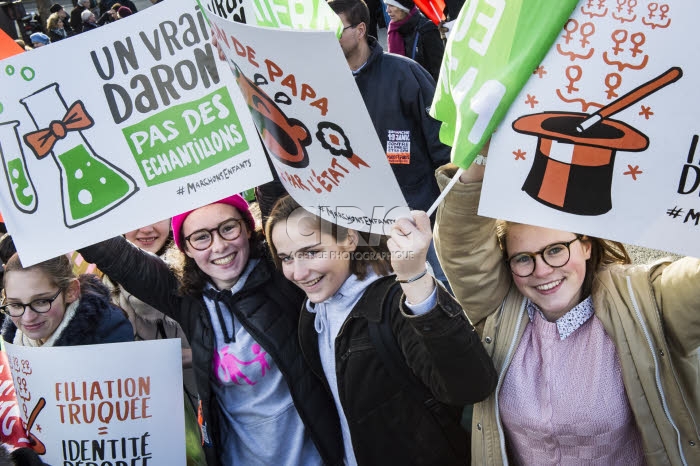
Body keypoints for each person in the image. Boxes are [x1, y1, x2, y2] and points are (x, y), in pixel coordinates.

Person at [433, 159, 700, 465]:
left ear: (585, 245)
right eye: (523, 258)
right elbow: (463, 249)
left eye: (556, 250)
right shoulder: (499, 310)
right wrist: (479, 159)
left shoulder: (645, 300)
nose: (543, 271)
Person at [79, 195, 344, 466]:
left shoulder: (280, 274)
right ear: (186, 248)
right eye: (201, 237)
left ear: (247, 228)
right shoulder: (185, 298)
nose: (219, 246)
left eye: (228, 228)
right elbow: (112, 254)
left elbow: (277, 191)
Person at [266, 195, 497, 465]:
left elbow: (470, 386)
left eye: (311, 252)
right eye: (286, 258)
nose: (298, 272)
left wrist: (416, 282)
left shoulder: (397, 302)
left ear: (349, 239)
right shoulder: (312, 311)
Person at [329, 0, 452, 290]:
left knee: (441, 285)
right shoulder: (323, 85)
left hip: (420, 214)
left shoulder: (404, 74)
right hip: (363, 220)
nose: (328, 39)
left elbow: (442, 145)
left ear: (360, 30)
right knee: (390, 293)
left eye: (335, 30)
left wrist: (447, 208)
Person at [0, 250, 132, 347]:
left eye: (41, 302)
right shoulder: (10, 342)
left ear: (71, 291)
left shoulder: (110, 336)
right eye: (16, 304)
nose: (28, 317)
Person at [385, 0, 444, 81]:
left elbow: (439, 69)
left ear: (404, 8)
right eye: (387, 5)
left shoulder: (427, 30)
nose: (387, 10)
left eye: (392, 5)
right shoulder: (394, 30)